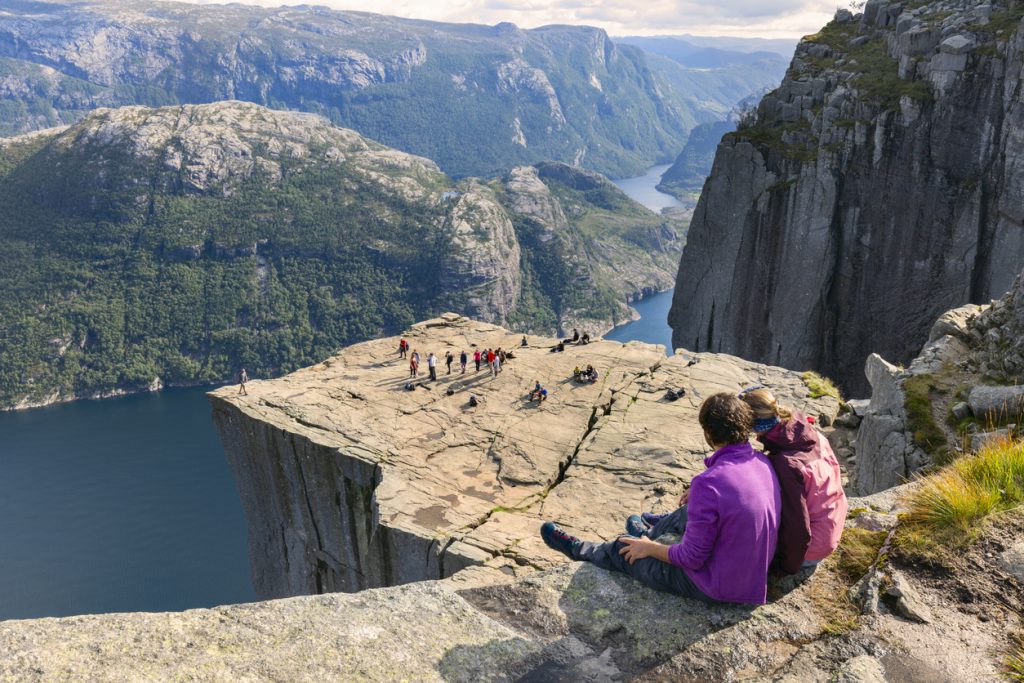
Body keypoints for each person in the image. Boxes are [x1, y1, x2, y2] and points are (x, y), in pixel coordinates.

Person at [540, 393, 781, 605]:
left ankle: (579, 549)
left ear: (709, 434)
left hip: (716, 585)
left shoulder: (709, 483)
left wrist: (650, 549)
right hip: (750, 576)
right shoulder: (761, 462)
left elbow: (692, 558)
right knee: (688, 510)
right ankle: (649, 532)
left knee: (622, 550)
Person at [739, 387, 848, 574]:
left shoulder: (786, 464)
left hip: (812, 548)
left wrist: (784, 567)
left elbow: (797, 524)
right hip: (833, 523)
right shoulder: (807, 432)